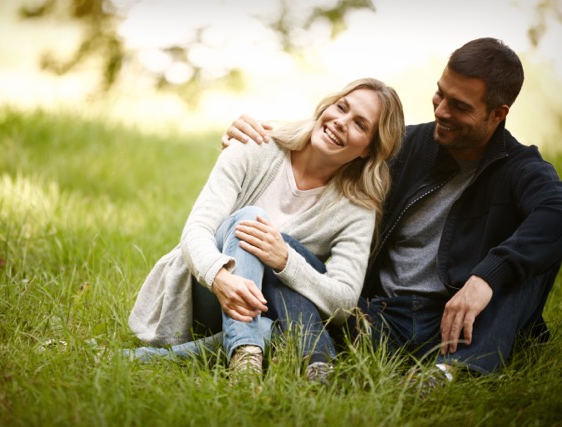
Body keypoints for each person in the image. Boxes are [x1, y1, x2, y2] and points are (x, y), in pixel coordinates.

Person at [223, 37, 562, 386]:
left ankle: (450, 373)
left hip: (454, 328)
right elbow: (339, 142)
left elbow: (556, 212)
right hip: (371, 315)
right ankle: (315, 361)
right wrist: (262, 139)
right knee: (278, 248)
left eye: (459, 106)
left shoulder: (521, 168)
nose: (441, 111)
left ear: (498, 113)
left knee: (534, 256)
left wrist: (487, 276)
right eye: (439, 94)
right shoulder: (409, 145)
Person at [128, 77, 406, 383]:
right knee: (251, 219)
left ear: (369, 150)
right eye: (341, 107)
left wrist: (286, 260)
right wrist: (220, 277)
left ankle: (235, 353)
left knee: (281, 334)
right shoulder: (257, 143)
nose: (340, 122)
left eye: (359, 125)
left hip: (264, 309)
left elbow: (343, 302)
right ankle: (246, 347)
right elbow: (196, 230)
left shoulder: (356, 207)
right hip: (202, 292)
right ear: (327, 106)